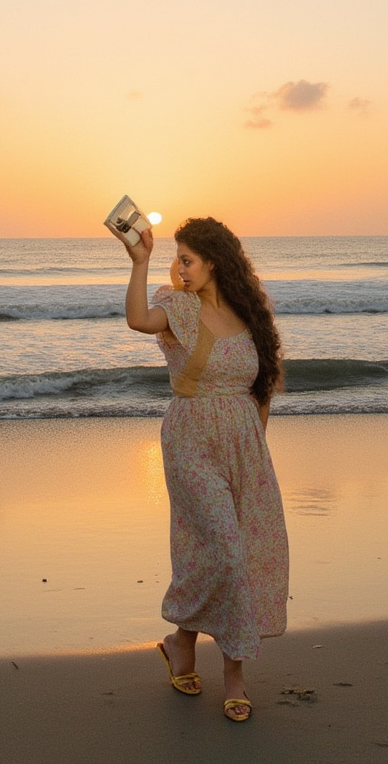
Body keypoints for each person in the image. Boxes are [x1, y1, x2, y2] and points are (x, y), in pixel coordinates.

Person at [110, 215, 289, 722]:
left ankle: (181, 642)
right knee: (227, 549)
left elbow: (262, 388)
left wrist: (257, 447)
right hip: (190, 439)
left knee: (234, 552)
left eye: (187, 259)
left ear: (214, 262)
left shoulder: (249, 314)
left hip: (245, 446)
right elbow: (137, 319)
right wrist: (139, 263)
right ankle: (234, 676)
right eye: (177, 258)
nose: (179, 267)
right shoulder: (177, 307)